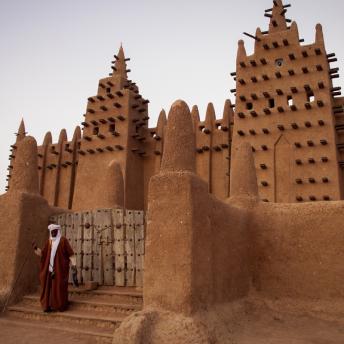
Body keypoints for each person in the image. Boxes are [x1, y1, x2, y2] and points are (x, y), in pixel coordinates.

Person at [32, 224, 77, 312]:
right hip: (49, 269)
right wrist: (36, 248)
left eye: (54, 232)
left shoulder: (63, 241)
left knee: (59, 287)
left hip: (60, 269)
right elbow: (43, 254)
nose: (52, 233)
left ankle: (60, 306)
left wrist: (74, 265)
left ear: (57, 231)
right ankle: (48, 306)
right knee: (48, 287)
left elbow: (71, 254)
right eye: (51, 232)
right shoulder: (49, 242)